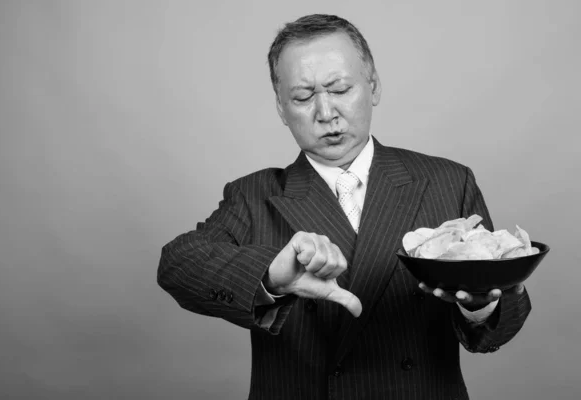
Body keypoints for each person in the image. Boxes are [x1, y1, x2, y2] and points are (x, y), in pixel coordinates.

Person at [157, 14, 531, 400]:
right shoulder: (254, 195)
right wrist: (268, 275)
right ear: (282, 109)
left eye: (339, 89)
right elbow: (177, 265)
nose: (325, 113)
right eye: (303, 97)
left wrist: (481, 308)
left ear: (373, 87)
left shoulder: (448, 182)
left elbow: (495, 332)